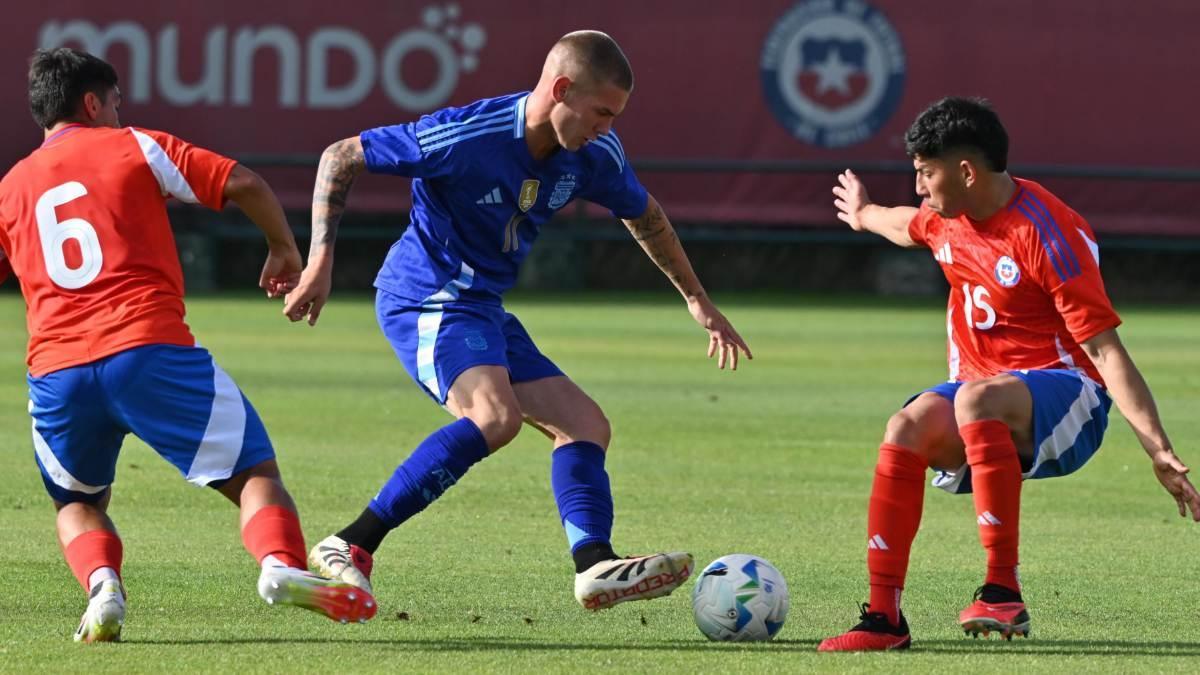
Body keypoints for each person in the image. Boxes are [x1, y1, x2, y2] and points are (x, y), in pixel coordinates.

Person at [283, 30, 751, 610]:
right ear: (560, 89)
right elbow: (341, 156)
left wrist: (695, 298)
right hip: (427, 296)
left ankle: (593, 565)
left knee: (585, 424)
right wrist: (320, 262)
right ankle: (349, 544)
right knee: (494, 418)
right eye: (601, 111)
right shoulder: (468, 136)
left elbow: (646, 215)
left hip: (482, 308)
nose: (608, 127)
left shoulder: (593, 153)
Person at [0, 48, 378, 643]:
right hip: (148, 351)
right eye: (116, 104)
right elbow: (243, 182)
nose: (121, 114)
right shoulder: (133, 145)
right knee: (255, 474)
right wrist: (283, 247)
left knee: (76, 503)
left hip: (57, 373)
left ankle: (103, 590)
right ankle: (279, 566)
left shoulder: (12, 186)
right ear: (93, 103)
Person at [817, 96, 1200, 651]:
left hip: (1071, 400)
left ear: (966, 171)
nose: (920, 187)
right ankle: (884, 619)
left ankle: (1002, 590)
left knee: (974, 400)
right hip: (989, 401)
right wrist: (863, 214)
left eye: (926, 173)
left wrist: (1157, 449)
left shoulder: (1048, 234)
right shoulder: (950, 220)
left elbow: (1107, 352)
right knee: (907, 424)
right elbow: (906, 224)